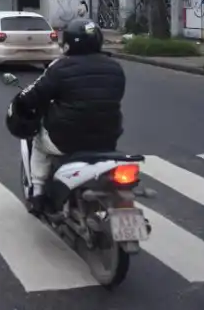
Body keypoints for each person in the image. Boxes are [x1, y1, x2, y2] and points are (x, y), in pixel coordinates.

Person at [6, 18, 125, 215]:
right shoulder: (115, 68)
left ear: (68, 42)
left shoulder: (60, 67)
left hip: (66, 140)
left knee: (37, 141)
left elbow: (35, 94)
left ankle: (37, 192)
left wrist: (21, 101)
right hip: (108, 139)